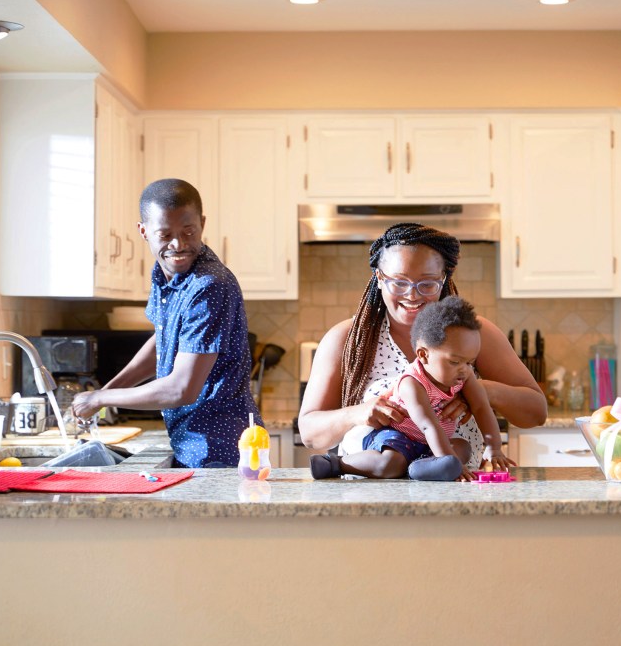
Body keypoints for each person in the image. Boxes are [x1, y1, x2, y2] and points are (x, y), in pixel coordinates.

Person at [297, 223, 547, 468]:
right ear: (380, 278)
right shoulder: (347, 338)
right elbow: (310, 433)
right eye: (399, 282)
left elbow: (536, 412)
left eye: (427, 283)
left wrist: (479, 391)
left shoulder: (474, 333)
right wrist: (356, 413)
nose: (412, 295)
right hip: (367, 496)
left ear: (443, 279)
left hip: (458, 492)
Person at [71, 178, 260, 467]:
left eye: (189, 231)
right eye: (165, 234)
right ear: (143, 231)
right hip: (192, 444)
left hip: (218, 453)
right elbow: (164, 340)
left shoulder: (209, 286)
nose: (179, 244)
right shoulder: (167, 274)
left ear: (203, 224)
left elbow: (181, 388)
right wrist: (106, 394)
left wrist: (101, 397)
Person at [309, 296, 513, 482]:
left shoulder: (465, 375)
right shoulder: (411, 383)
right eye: (455, 362)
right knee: (389, 464)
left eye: (470, 362)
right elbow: (428, 425)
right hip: (397, 437)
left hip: (430, 446)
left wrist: (494, 448)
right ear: (423, 355)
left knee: (462, 447)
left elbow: (481, 408)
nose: (465, 370)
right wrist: (451, 462)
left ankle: (421, 469)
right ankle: (336, 464)